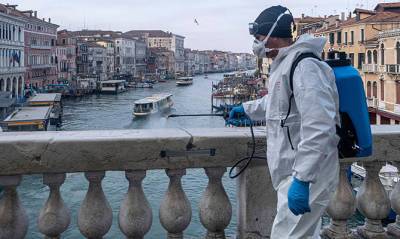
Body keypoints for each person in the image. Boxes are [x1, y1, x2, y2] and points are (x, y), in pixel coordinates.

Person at [228, 5, 340, 238]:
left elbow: (320, 125)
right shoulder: (286, 64)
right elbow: (277, 102)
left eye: (259, 38)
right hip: (294, 172)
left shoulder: (305, 66)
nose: (256, 44)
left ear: (272, 35)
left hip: (307, 174)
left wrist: (303, 178)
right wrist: (246, 110)